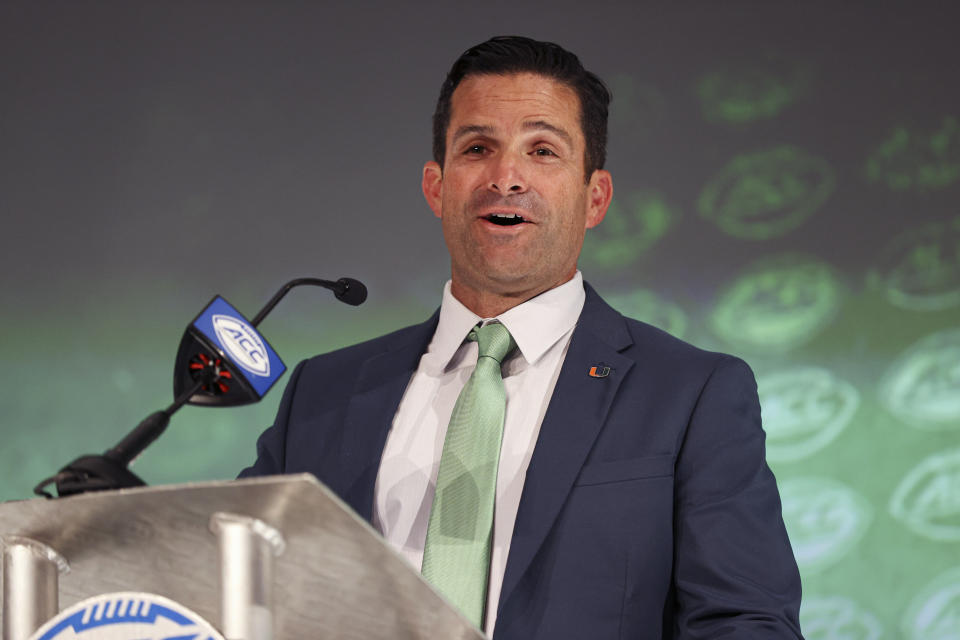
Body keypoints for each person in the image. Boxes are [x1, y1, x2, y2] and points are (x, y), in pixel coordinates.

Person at [240, 36, 804, 639]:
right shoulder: (323, 392)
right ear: (436, 186)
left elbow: (745, 623)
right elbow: (234, 593)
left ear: (595, 197)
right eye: (478, 148)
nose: (506, 177)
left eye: (542, 150)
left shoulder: (692, 394)